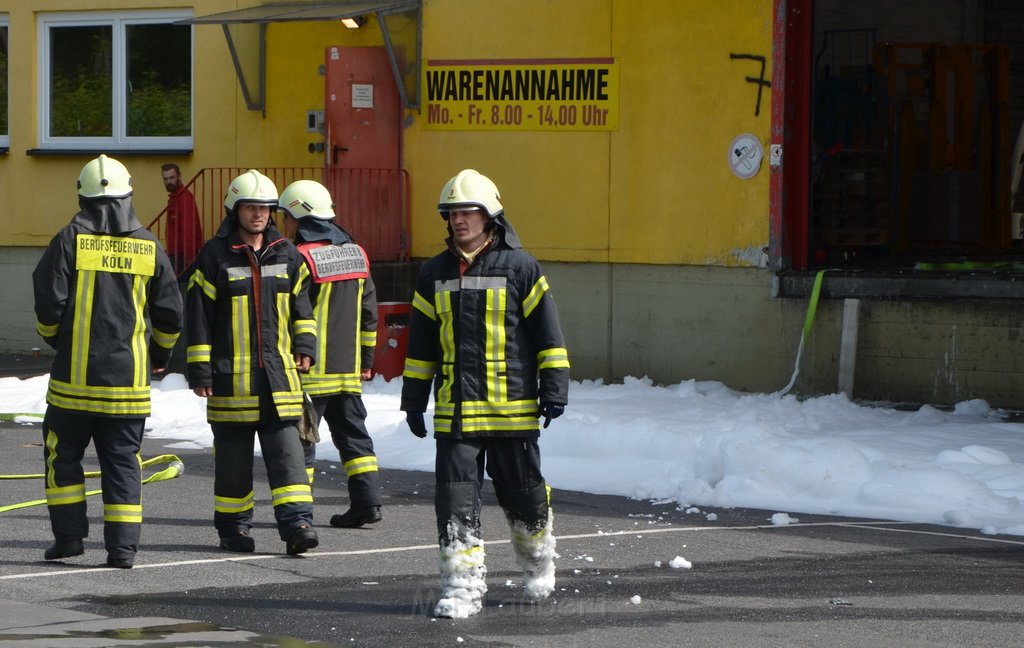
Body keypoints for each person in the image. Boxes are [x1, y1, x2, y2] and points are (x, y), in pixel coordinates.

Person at [400, 169, 570, 618]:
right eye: (452, 214)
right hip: (456, 411)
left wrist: (554, 389)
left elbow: (548, 335)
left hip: (512, 409)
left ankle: (538, 564)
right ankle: (460, 588)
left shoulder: (521, 267)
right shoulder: (433, 273)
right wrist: (414, 400)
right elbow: (421, 345)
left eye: (468, 212)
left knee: (524, 495)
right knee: (454, 501)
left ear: (489, 215)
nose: (459, 221)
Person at [32, 154, 183, 569]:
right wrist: (159, 354)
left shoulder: (68, 240)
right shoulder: (149, 244)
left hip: (73, 385)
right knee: (123, 464)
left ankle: (68, 541)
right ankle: (122, 551)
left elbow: (48, 304)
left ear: (81, 195)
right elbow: (170, 312)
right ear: (128, 195)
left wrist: (57, 342)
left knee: (62, 457)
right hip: (127, 386)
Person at [185, 169, 319, 555]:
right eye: (251, 207)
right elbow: (198, 318)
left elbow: (302, 307)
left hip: (279, 380)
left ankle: (298, 526)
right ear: (235, 210)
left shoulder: (287, 254)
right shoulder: (213, 256)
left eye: (264, 207)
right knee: (232, 466)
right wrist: (200, 369)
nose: (258, 214)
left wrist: (306, 345)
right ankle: (234, 531)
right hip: (231, 382)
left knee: (289, 460)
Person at [278, 180, 383, 528]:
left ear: (300, 216)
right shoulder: (357, 253)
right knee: (355, 440)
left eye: (286, 217)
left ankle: (300, 514)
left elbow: (294, 313)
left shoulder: (301, 258)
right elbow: (370, 314)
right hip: (348, 371)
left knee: (302, 443)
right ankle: (367, 503)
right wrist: (367, 361)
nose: (284, 225)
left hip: (309, 371)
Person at [161, 163, 203, 277]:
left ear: (179, 177)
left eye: (171, 178)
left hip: (182, 257)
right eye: (165, 179)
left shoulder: (184, 198)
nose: (168, 181)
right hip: (176, 254)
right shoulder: (175, 198)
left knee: (182, 290)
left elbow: (189, 230)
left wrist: (189, 257)